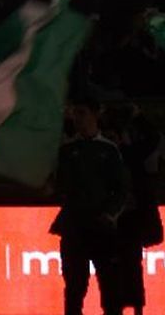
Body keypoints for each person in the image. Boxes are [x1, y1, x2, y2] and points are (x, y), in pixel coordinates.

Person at [52, 100, 129, 315]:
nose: (79, 118)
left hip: (101, 227)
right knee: (75, 287)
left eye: (83, 112)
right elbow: (60, 186)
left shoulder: (109, 149)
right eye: (76, 114)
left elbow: (121, 189)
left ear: (95, 115)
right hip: (74, 227)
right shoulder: (67, 150)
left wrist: (109, 214)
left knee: (110, 285)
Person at [106, 104, 162, 315]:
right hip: (109, 220)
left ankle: (136, 307)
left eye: (115, 136)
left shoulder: (131, 155)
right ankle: (116, 307)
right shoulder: (98, 158)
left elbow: (153, 139)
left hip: (130, 220)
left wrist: (138, 117)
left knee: (131, 266)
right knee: (111, 268)